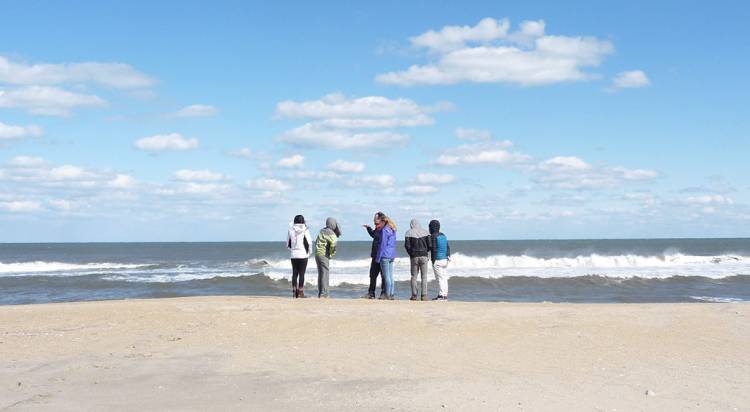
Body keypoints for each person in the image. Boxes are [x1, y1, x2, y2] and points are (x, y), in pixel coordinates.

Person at [314, 217, 341, 298]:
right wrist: (331, 253)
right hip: (324, 254)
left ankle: (321, 293)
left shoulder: (322, 231)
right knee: (325, 274)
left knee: (321, 274)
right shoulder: (331, 233)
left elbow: (316, 241)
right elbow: (334, 243)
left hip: (317, 254)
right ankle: (324, 294)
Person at [404, 218, 430, 301]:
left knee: (414, 276)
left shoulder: (408, 232)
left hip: (414, 256)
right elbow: (430, 245)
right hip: (424, 256)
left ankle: (414, 295)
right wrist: (426, 252)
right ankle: (424, 295)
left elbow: (407, 246)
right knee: (424, 276)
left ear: (411, 224)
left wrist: (411, 254)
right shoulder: (426, 232)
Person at [362, 213, 386, 299]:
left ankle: (384, 293)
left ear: (382, 220)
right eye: (374, 221)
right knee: (372, 275)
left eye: (376, 220)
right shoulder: (377, 229)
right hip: (375, 256)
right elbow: (373, 235)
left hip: (383, 257)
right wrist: (368, 228)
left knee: (384, 276)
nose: (375, 223)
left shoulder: (385, 230)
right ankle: (371, 293)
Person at [287, 214, 312, 298]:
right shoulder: (305, 230)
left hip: (294, 255)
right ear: (303, 221)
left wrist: (292, 250)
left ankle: (294, 291)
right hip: (303, 255)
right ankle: (300, 292)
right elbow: (309, 243)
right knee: (302, 274)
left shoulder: (290, 230)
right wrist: (309, 252)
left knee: (294, 273)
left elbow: (288, 243)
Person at [376, 213, 397, 300]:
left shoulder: (385, 230)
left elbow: (383, 244)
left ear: (383, 221)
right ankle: (391, 294)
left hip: (385, 254)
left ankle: (387, 294)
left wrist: (378, 257)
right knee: (391, 276)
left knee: (386, 276)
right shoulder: (393, 229)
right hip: (392, 254)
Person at [428, 219, 451, 301]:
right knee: (444, 277)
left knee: (440, 279)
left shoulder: (433, 236)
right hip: (445, 259)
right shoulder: (443, 235)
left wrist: (433, 260)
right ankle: (445, 295)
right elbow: (447, 246)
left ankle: (441, 296)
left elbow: (433, 248)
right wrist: (448, 255)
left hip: (437, 260)